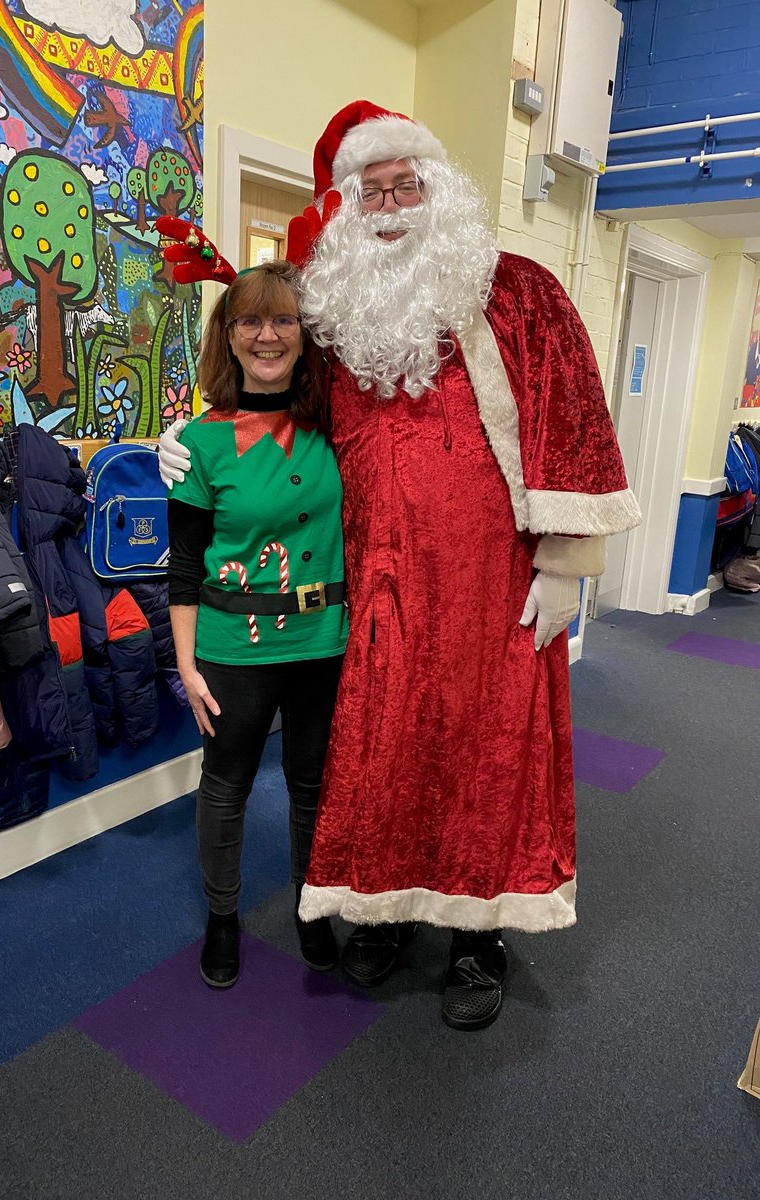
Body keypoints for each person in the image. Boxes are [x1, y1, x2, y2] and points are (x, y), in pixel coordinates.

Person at [162, 101, 640, 1028]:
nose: (389, 203)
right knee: (374, 756)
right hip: (367, 588)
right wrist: (182, 438)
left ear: (439, 188)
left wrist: (564, 562)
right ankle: (379, 913)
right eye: (370, 189)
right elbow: (267, 399)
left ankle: (476, 940)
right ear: (347, 204)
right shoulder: (333, 318)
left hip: (488, 588)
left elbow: (575, 421)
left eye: (404, 183)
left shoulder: (520, 291)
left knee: (480, 756)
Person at [167, 260, 349, 989]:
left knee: (312, 784)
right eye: (249, 320)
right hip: (230, 647)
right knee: (227, 783)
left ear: (306, 336)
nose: (266, 335)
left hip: (320, 642)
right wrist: (185, 666)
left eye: (283, 319)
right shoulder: (199, 445)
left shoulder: (338, 427)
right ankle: (221, 916)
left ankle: (313, 905)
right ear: (228, 335)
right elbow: (182, 569)